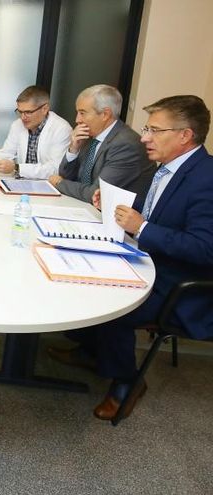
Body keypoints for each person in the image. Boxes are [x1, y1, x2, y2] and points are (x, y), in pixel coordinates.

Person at [48, 95, 213, 420]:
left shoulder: (206, 178)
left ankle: (128, 381)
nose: (144, 138)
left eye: (154, 130)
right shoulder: (167, 167)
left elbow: (204, 248)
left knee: (112, 306)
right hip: (145, 259)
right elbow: (160, 211)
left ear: (184, 135)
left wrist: (143, 226)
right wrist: (117, 203)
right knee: (78, 277)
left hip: (176, 282)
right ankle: (93, 351)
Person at [48, 84, 154, 203]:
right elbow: (67, 176)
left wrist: (59, 183)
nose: (77, 120)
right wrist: (74, 148)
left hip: (116, 216)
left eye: (82, 113)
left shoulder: (126, 144)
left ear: (105, 114)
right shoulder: (89, 136)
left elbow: (96, 194)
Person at [0, 85, 71, 179]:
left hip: (48, 187)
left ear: (44, 109)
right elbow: (7, 153)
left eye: (28, 112)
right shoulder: (17, 125)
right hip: (21, 183)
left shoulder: (61, 129)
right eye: (20, 112)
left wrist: (17, 168)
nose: (23, 117)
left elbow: (55, 169)